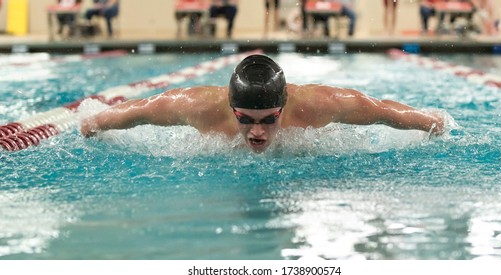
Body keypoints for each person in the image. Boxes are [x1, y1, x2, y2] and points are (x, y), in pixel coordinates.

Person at [80, 55, 445, 154]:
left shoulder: (319, 105)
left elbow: (380, 109)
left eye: (269, 120)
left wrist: (428, 121)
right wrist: (95, 122)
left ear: (284, 107)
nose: (257, 132)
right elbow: (140, 109)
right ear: (230, 106)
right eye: (246, 119)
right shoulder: (199, 106)